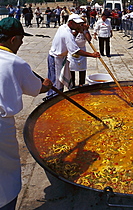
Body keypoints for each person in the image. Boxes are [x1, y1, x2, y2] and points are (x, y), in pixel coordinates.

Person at [0, 17, 52, 210]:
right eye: (21, 39)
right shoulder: (15, 62)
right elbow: (36, 88)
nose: (22, 44)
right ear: (13, 39)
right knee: (5, 178)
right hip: (1, 126)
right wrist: (46, 85)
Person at [47, 14, 100, 98]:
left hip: (58, 57)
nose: (79, 25)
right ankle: (52, 99)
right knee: (56, 83)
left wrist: (80, 29)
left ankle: (54, 96)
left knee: (55, 81)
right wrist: (92, 55)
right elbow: (75, 51)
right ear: (71, 23)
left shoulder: (63, 27)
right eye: (77, 24)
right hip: (56, 58)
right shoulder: (68, 34)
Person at [68, 20, 91, 88]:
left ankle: (82, 84)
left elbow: (89, 39)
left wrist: (85, 30)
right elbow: (72, 38)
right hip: (73, 51)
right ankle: (72, 84)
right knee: (71, 68)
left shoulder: (85, 32)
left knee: (82, 69)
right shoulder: (72, 31)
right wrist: (78, 31)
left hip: (82, 51)